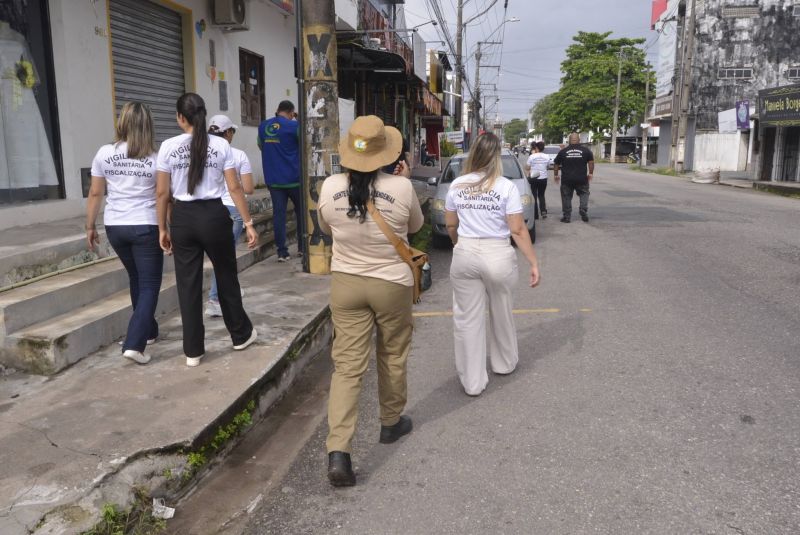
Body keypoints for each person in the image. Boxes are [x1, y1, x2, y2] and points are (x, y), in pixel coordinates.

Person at [317, 115, 423, 487]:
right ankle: (391, 423)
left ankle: (339, 452)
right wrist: (401, 178)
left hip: (346, 283)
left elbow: (327, 230)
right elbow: (413, 229)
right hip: (391, 283)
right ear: (386, 153)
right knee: (392, 354)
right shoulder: (403, 187)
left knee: (347, 367)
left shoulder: (329, 186)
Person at [156, 93, 258, 367]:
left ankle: (193, 351)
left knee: (187, 285)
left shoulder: (167, 147)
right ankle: (240, 335)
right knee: (226, 277)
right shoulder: (221, 145)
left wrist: (162, 228)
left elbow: (162, 193)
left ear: (180, 118)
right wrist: (248, 223)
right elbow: (235, 188)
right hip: (214, 215)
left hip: (183, 218)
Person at [444, 132, 540, 396]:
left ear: (473, 154)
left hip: (465, 251)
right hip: (497, 253)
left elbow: (451, 224)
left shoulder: (457, 185)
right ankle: (504, 363)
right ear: (496, 157)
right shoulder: (506, 186)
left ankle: (472, 382)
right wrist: (533, 262)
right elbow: (518, 230)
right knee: (502, 310)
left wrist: (457, 243)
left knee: (466, 319)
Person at [86, 101, 161, 365]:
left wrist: (90, 225)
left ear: (123, 122)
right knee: (150, 284)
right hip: (145, 225)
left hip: (115, 226)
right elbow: (163, 195)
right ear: (147, 125)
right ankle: (134, 344)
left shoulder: (104, 153)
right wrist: (166, 228)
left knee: (137, 279)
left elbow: (96, 192)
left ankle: (148, 331)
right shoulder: (154, 158)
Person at [205, 114, 255, 318]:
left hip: (208, 209)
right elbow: (249, 189)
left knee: (223, 256)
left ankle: (229, 290)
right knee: (224, 257)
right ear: (227, 133)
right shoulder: (238, 155)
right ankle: (215, 298)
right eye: (232, 131)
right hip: (232, 209)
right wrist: (248, 221)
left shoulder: (200, 151)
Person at [258, 100, 302, 262]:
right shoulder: (294, 126)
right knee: (300, 213)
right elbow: (304, 146)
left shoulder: (263, 126)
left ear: (277, 110)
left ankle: (282, 252)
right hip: (294, 179)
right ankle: (302, 248)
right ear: (291, 113)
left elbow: (260, 145)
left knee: (279, 215)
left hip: (274, 179)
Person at [553, 133, 594, 223]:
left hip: (567, 180)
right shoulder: (586, 150)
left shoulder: (563, 151)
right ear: (579, 140)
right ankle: (583, 209)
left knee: (566, 197)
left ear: (569, 140)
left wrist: (556, 175)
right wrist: (590, 173)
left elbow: (556, 163)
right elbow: (591, 162)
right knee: (584, 193)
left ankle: (567, 216)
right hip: (582, 179)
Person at [526, 141, 550, 218]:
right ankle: (543, 211)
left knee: (534, 196)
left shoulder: (532, 156)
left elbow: (527, 167)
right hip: (543, 179)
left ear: (536, 148)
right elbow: (547, 167)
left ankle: (535, 214)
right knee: (541, 195)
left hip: (533, 178)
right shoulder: (547, 156)